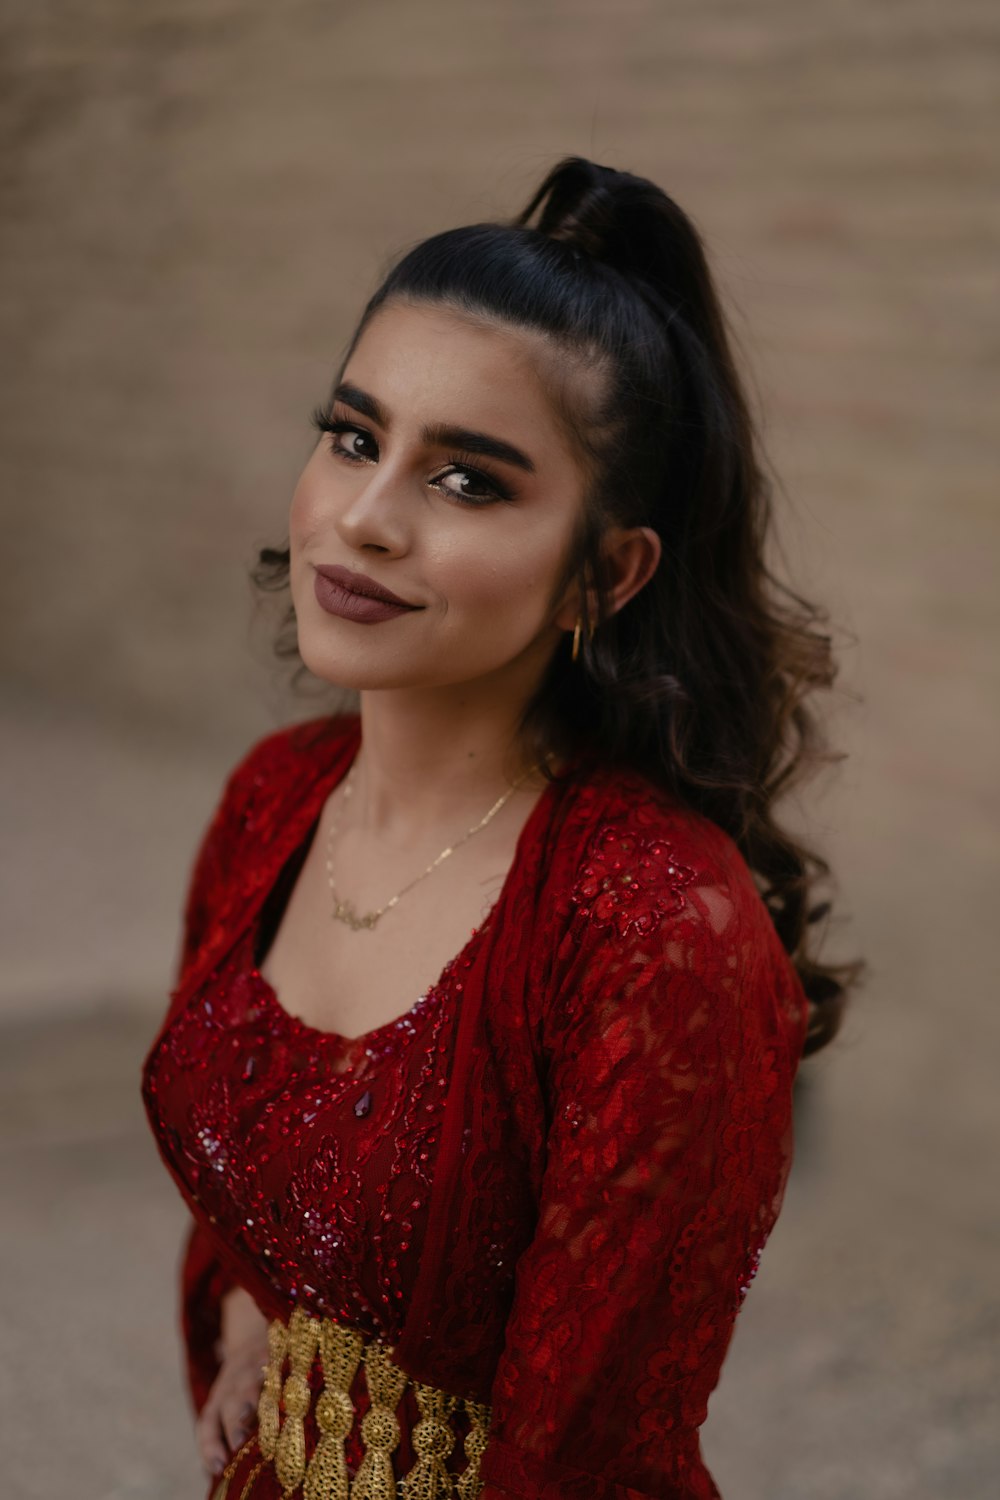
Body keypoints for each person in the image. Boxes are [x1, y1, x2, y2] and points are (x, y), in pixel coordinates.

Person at [141, 156, 863, 1500]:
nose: (363, 517)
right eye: (354, 436)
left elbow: (592, 1449)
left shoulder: (653, 929)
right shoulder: (275, 798)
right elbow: (243, 1192)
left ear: (606, 570)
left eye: (468, 481)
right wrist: (259, 1320)